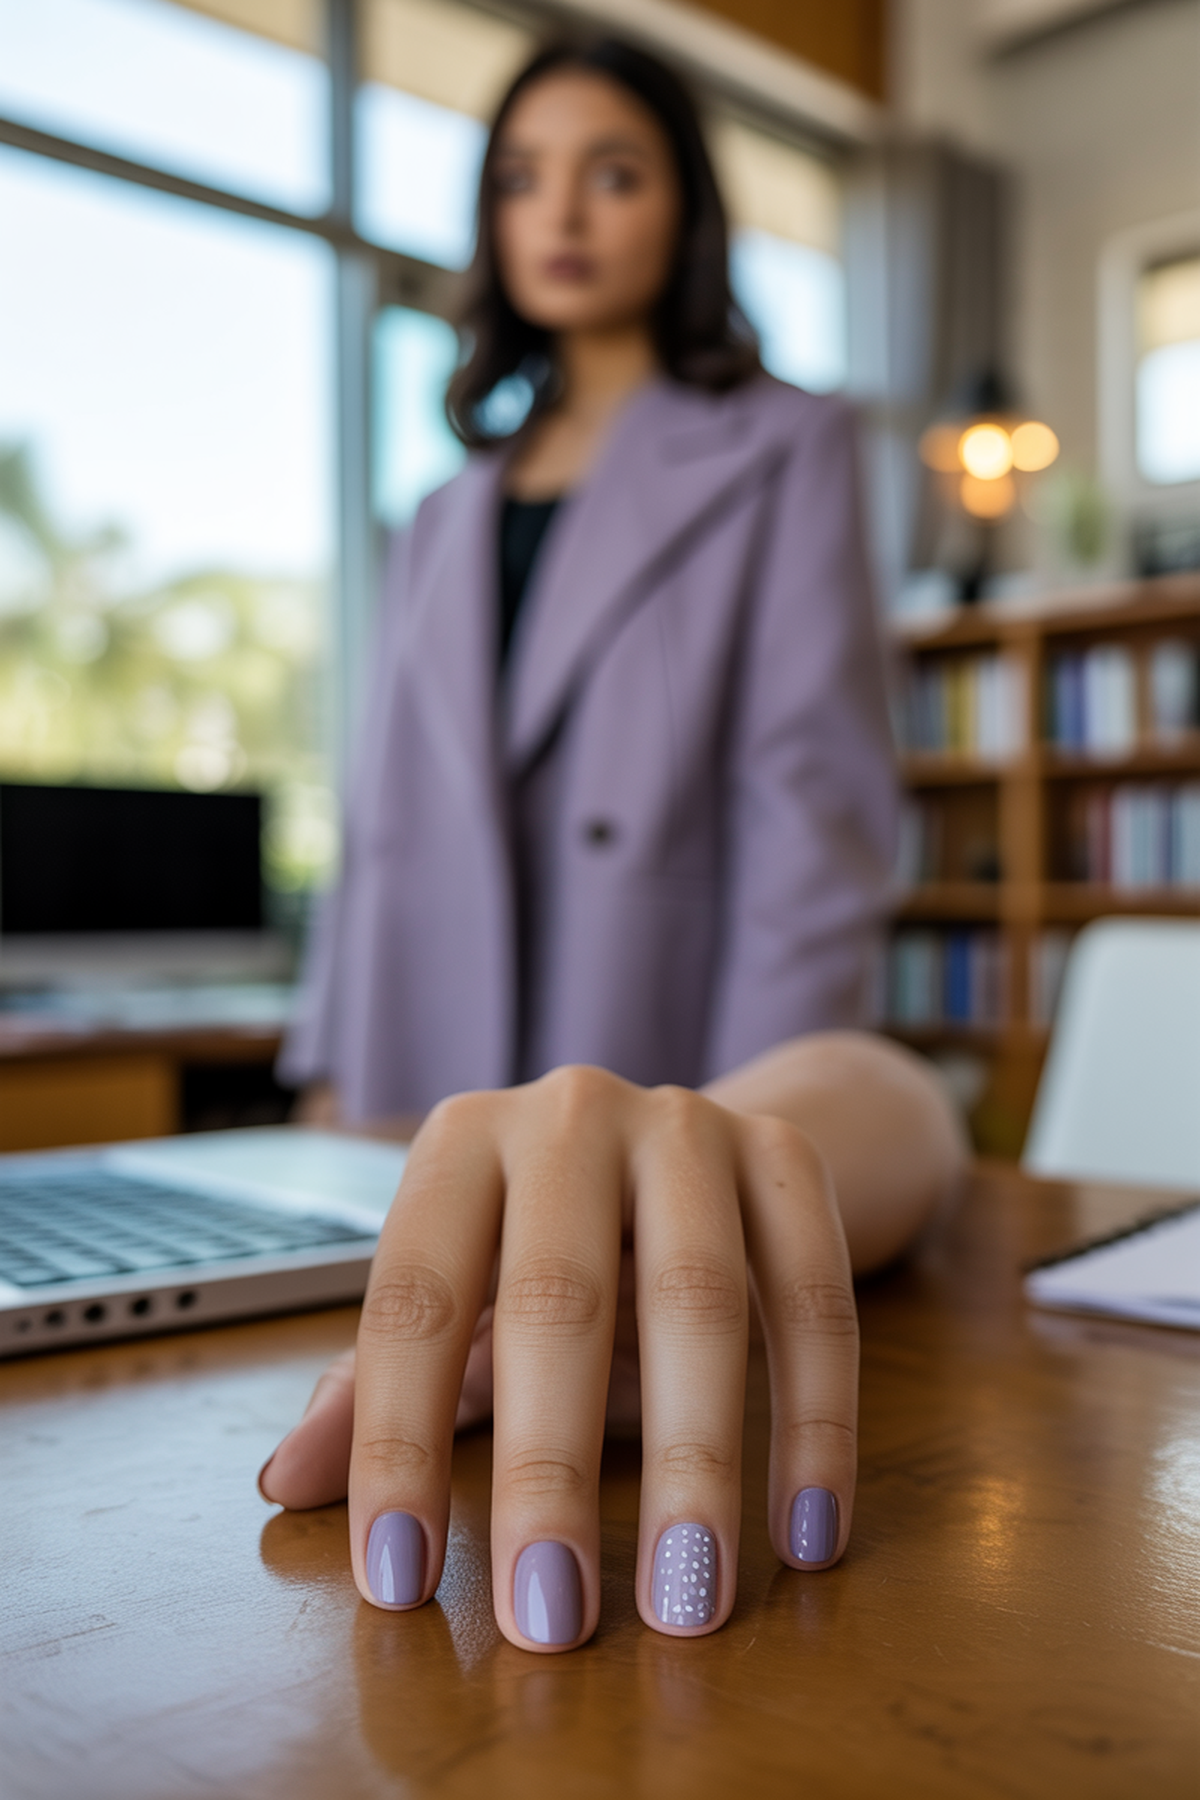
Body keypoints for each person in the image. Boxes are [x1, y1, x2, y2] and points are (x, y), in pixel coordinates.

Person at [263, 36, 967, 1653]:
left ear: (686, 212)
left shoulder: (783, 447)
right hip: (417, 1074)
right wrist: (326, 1081)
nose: (561, 211)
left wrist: (735, 1143)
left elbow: (813, 810)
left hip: (660, 1036)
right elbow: (386, 826)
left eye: (614, 169)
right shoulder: (448, 506)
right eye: (521, 177)